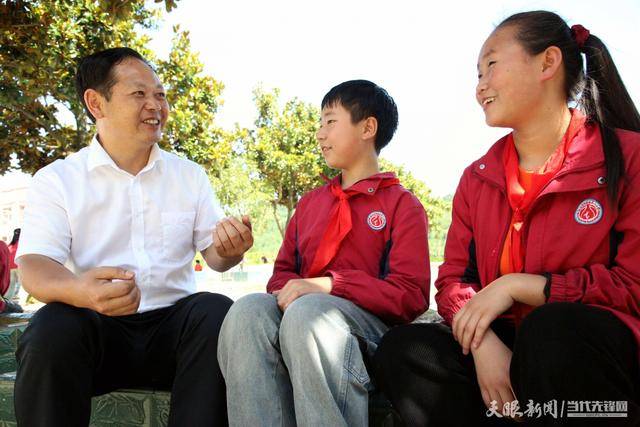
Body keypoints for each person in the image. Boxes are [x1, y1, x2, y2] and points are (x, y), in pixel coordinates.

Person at [375, 10, 640, 427]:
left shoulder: (628, 157)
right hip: (508, 347)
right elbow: (453, 283)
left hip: (593, 359)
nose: (480, 85)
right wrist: (481, 341)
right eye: (477, 73)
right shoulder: (477, 177)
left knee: (551, 332)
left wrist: (519, 286)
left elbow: (633, 287)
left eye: (491, 65)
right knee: (405, 349)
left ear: (547, 63)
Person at [14, 47, 253, 427]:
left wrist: (231, 250)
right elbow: (34, 266)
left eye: (159, 94)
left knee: (217, 312)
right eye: (139, 94)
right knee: (50, 327)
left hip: (175, 335)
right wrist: (82, 292)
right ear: (96, 103)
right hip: (95, 330)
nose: (155, 105)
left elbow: (216, 256)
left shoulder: (189, 176)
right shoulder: (58, 179)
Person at [217, 80, 430, 426]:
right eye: (319, 123)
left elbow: (411, 295)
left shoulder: (402, 206)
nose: (319, 133)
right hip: (302, 320)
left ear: (368, 127)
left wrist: (330, 286)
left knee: (309, 312)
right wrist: (292, 292)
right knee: (247, 311)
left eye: (330, 121)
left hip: (366, 337)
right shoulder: (311, 204)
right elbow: (282, 274)